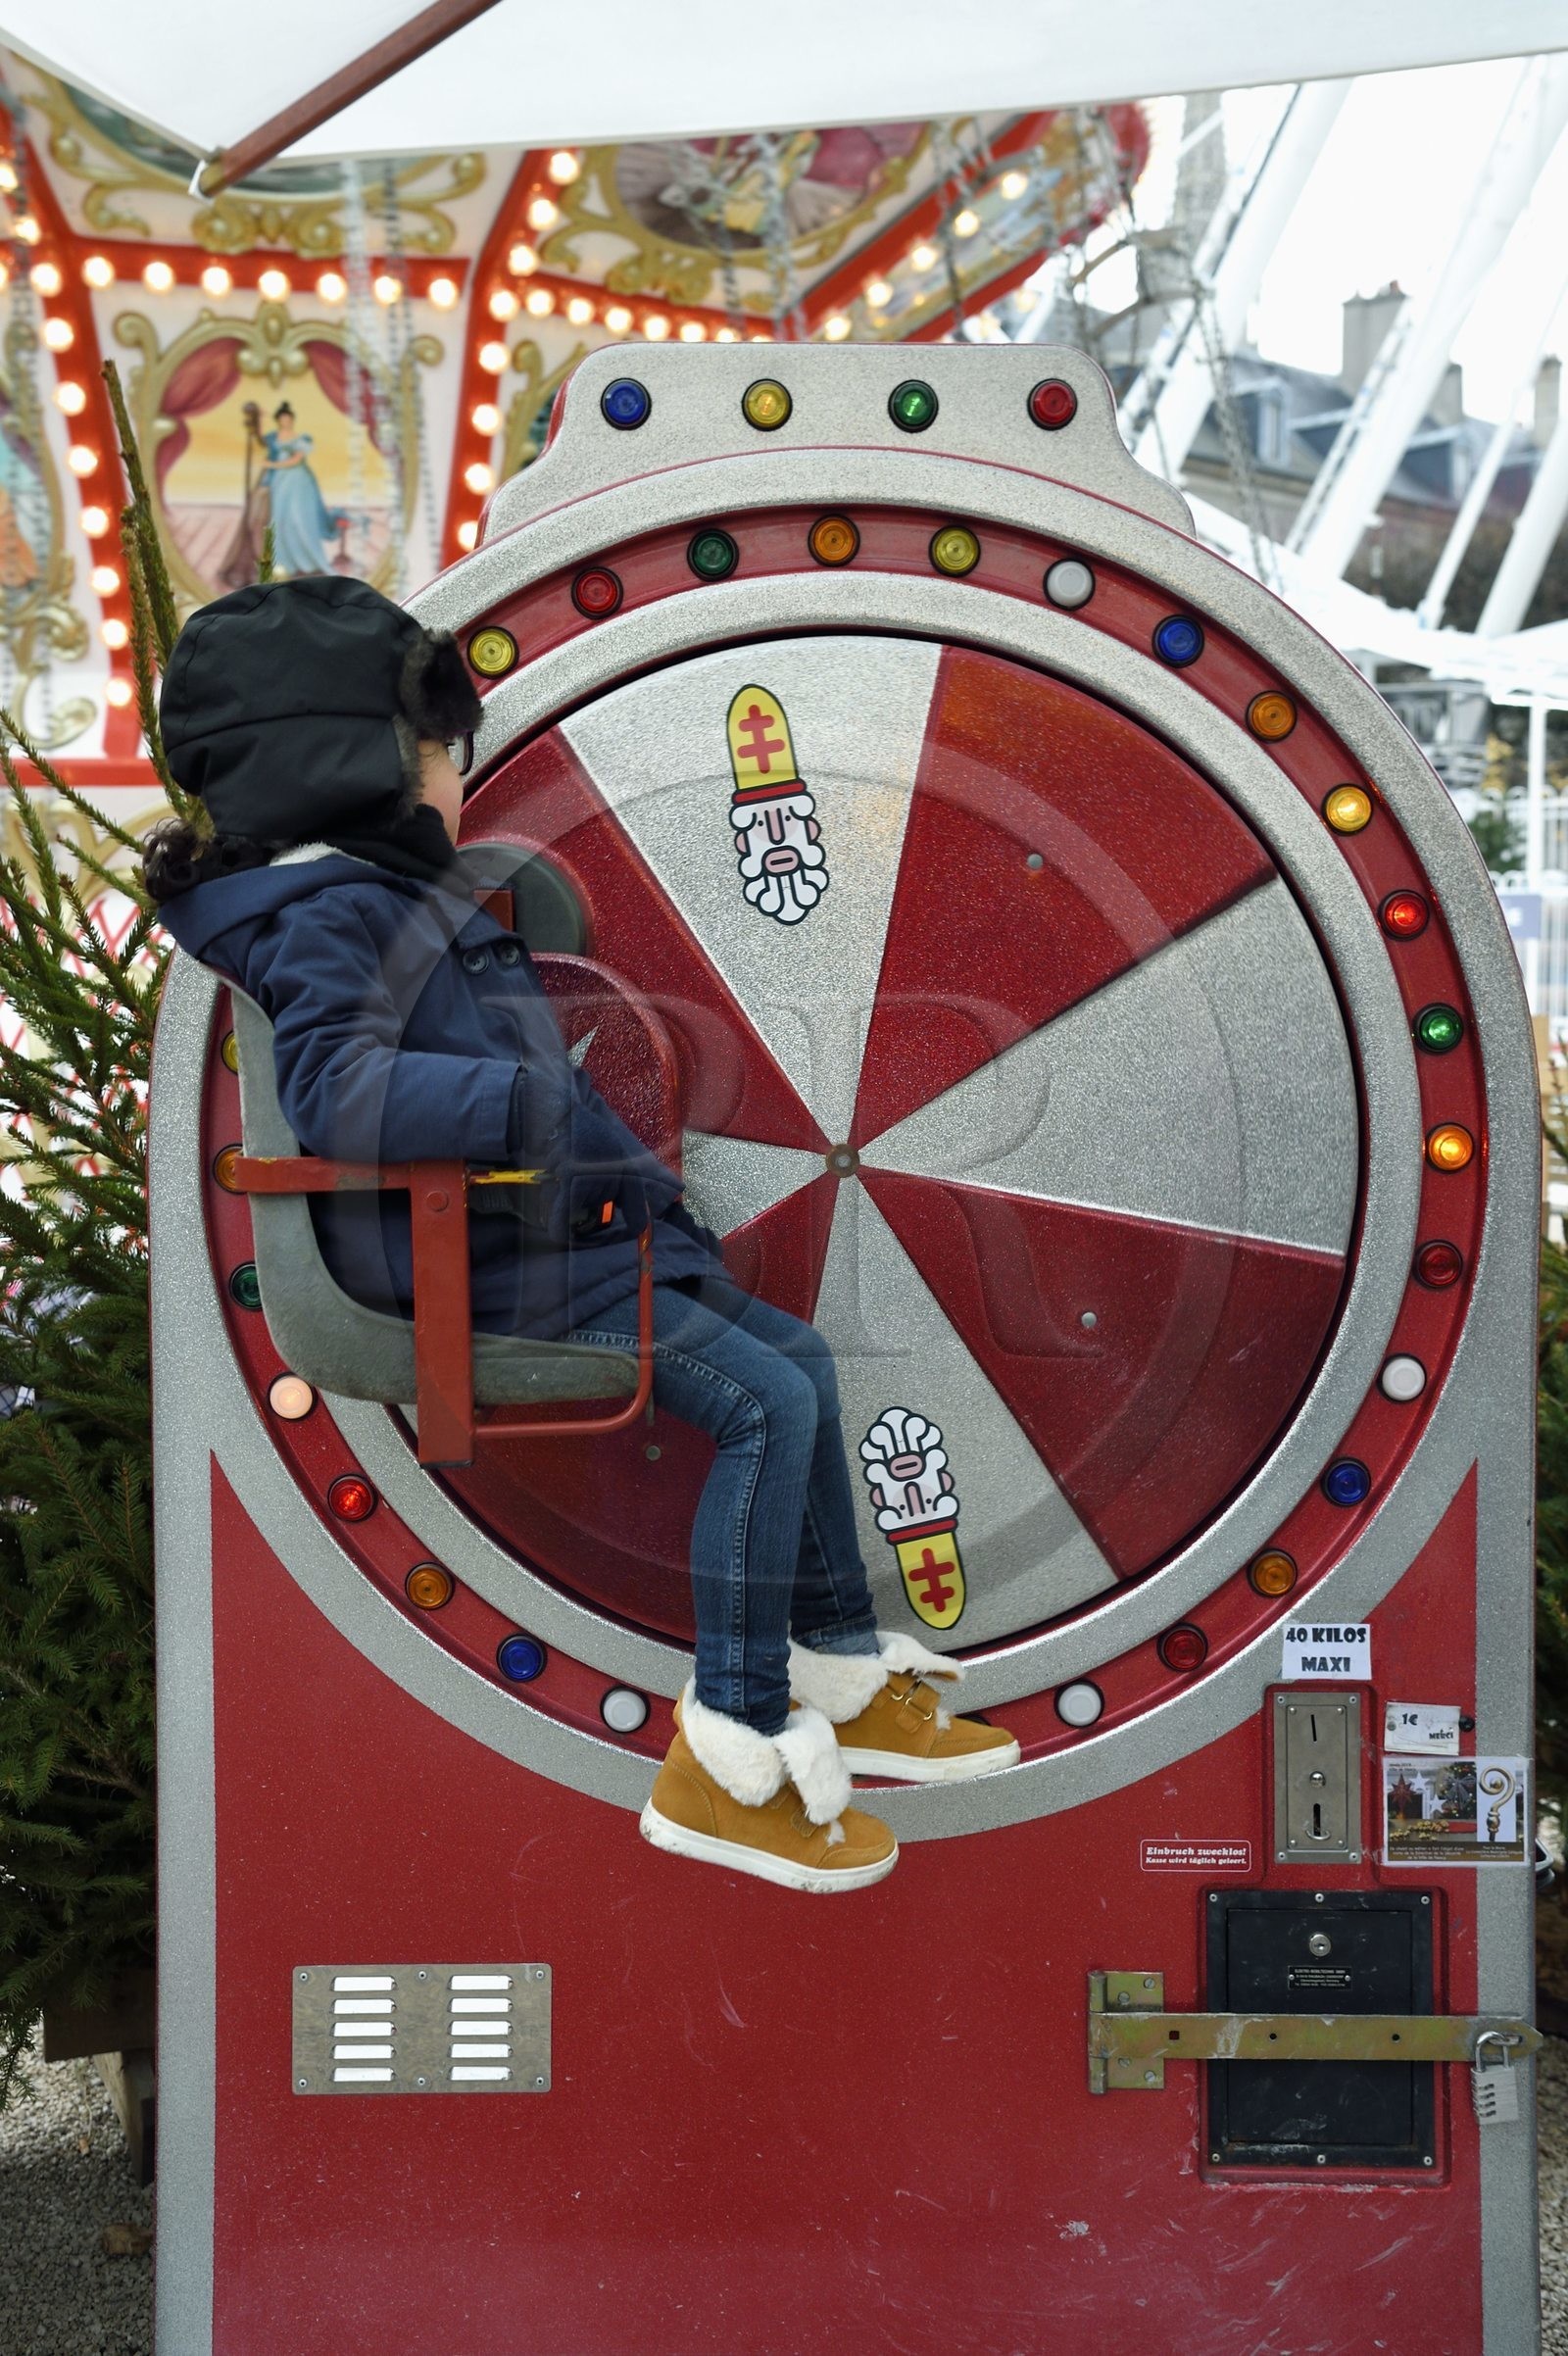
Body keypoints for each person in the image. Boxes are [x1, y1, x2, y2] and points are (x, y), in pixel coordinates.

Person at [143, 577, 1018, 1894]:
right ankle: (729, 1738)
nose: (456, 782)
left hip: (538, 1236)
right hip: (479, 1263)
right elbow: (338, 1093)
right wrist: (527, 1108)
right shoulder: (327, 913)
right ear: (348, 761)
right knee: (769, 1402)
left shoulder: (366, 898)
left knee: (800, 1361)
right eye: (442, 753)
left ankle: (842, 1666)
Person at [255, 401, 336, 576]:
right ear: (278, 420)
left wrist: (272, 464)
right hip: (280, 482)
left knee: (300, 518)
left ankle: (308, 561)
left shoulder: (301, 438)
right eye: (283, 419)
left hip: (299, 481)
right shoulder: (273, 437)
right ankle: (283, 562)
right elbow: (260, 439)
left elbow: (296, 460)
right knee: (280, 518)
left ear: (292, 420)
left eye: (288, 418)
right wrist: (260, 419)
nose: (286, 421)